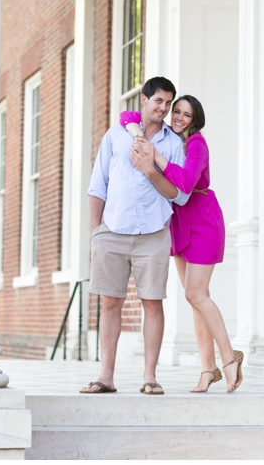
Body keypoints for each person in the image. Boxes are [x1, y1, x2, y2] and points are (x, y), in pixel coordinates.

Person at [124, 96, 244, 392]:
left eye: (185, 114)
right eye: (175, 111)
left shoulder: (197, 144)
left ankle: (230, 358)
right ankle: (207, 369)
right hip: (179, 221)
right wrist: (138, 134)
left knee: (196, 294)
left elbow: (187, 183)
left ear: (195, 119)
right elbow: (127, 114)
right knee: (194, 299)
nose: (177, 117)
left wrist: (154, 157)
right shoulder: (170, 137)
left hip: (202, 219)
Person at [80, 77, 190, 396]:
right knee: (110, 303)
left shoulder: (172, 144)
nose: (164, 108)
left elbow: (179, 194)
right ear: (144, 100)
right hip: (111, 232)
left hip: (154, 233)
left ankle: (150, 376)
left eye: (169, 103)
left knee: (152, 303)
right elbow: (97, 185)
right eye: (159, 101)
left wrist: (150, 169)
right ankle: (106, 376)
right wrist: (96, 232)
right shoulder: (115, 136)